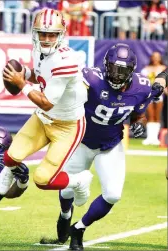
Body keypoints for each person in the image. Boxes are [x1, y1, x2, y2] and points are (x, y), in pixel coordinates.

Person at [55, 44, 163, 251]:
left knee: (113, 194)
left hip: (110, 144)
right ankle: (65, 214)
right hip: (81, 141)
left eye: (121, 71)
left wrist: (139, 124)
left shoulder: (141, 87)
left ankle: (79, 229)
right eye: (112, 69)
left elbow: (138, 113)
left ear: (131, 71)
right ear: (105, 66)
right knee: (67, 190)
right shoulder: (91, 79)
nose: (115, 75)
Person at [2, 8, 92, 205]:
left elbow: (47, 103)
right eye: (43, 34)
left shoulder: (66, 60)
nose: (47, 39)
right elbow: (41, 74)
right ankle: (20, 177)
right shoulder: (38, 50)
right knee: (10, 158)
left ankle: (79, 181)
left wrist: (21, 83)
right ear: (35, 34)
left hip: (67, 127)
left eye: (52, 34)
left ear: (61, 35)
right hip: (42, 118)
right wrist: (24, 74)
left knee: (43, 180)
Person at [141, 52, 167, 145]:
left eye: (157, 57)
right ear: (151, 58)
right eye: (154, 57)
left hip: (160, 95)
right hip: (149, 94)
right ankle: (149, 138)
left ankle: (155, 138)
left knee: (157, 116)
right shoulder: (146, 69)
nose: (156, 59)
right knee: (150, 115)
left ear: (160, 58)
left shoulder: (163, 68)